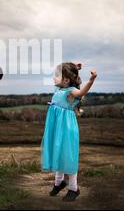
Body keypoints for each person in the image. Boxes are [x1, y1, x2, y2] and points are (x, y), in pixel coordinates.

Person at [41, 62, 98, 201]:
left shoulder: (70, 91)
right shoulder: (59, 89)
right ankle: (59, 183)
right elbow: (67, 72)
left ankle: (73, 188)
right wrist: (74, 68)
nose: (54, 78)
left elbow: (81, 92)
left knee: (68, 156)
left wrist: (91, 80)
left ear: (66, 80)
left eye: (56, 76)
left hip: (66, 129)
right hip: (56, 128)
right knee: (58, 153)